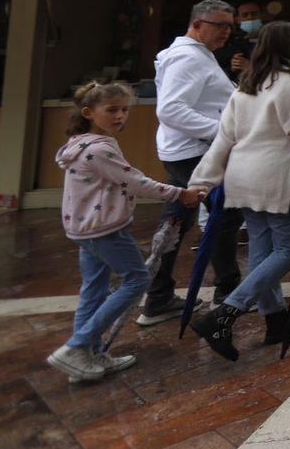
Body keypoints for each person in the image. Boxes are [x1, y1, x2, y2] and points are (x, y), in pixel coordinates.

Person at [188, 21, 290, 361]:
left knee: (262, 250)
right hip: (278, 177)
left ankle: (275, 318)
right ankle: (226, 312)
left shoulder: (249, 83)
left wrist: (202, 180)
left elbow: (224, 139)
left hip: (242, 177)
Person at [49, 82, 204, 383]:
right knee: (137, 280)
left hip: (84, 229)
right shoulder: (100, 148)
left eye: (124, 110)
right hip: (105, 230)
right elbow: (135, 181)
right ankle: (77, 346)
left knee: (93, 290)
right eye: (112, 110)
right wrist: (179, 194)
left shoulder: (78, 144)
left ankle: (85, 358)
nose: (120, 116)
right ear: (88, 113)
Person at [139, 0, 243, 326]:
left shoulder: (196, 55)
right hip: (195, 153)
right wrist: (220, 132)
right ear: (197, 24)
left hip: (187, 152)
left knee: (178, 221)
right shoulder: (187, 57)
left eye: (230, 25)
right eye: (219, 25)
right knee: (223, 218)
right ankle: (229, 292)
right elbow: (170, 110)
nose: (226, 32)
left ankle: (157, 296)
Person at [214, 0, 264, 82]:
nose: (250, 17)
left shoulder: (273, 40)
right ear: (237, 19)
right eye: (245, 15)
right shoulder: (227, 43)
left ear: (262, 16)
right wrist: (232, 68)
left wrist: (251, 68)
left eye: (254, 14)